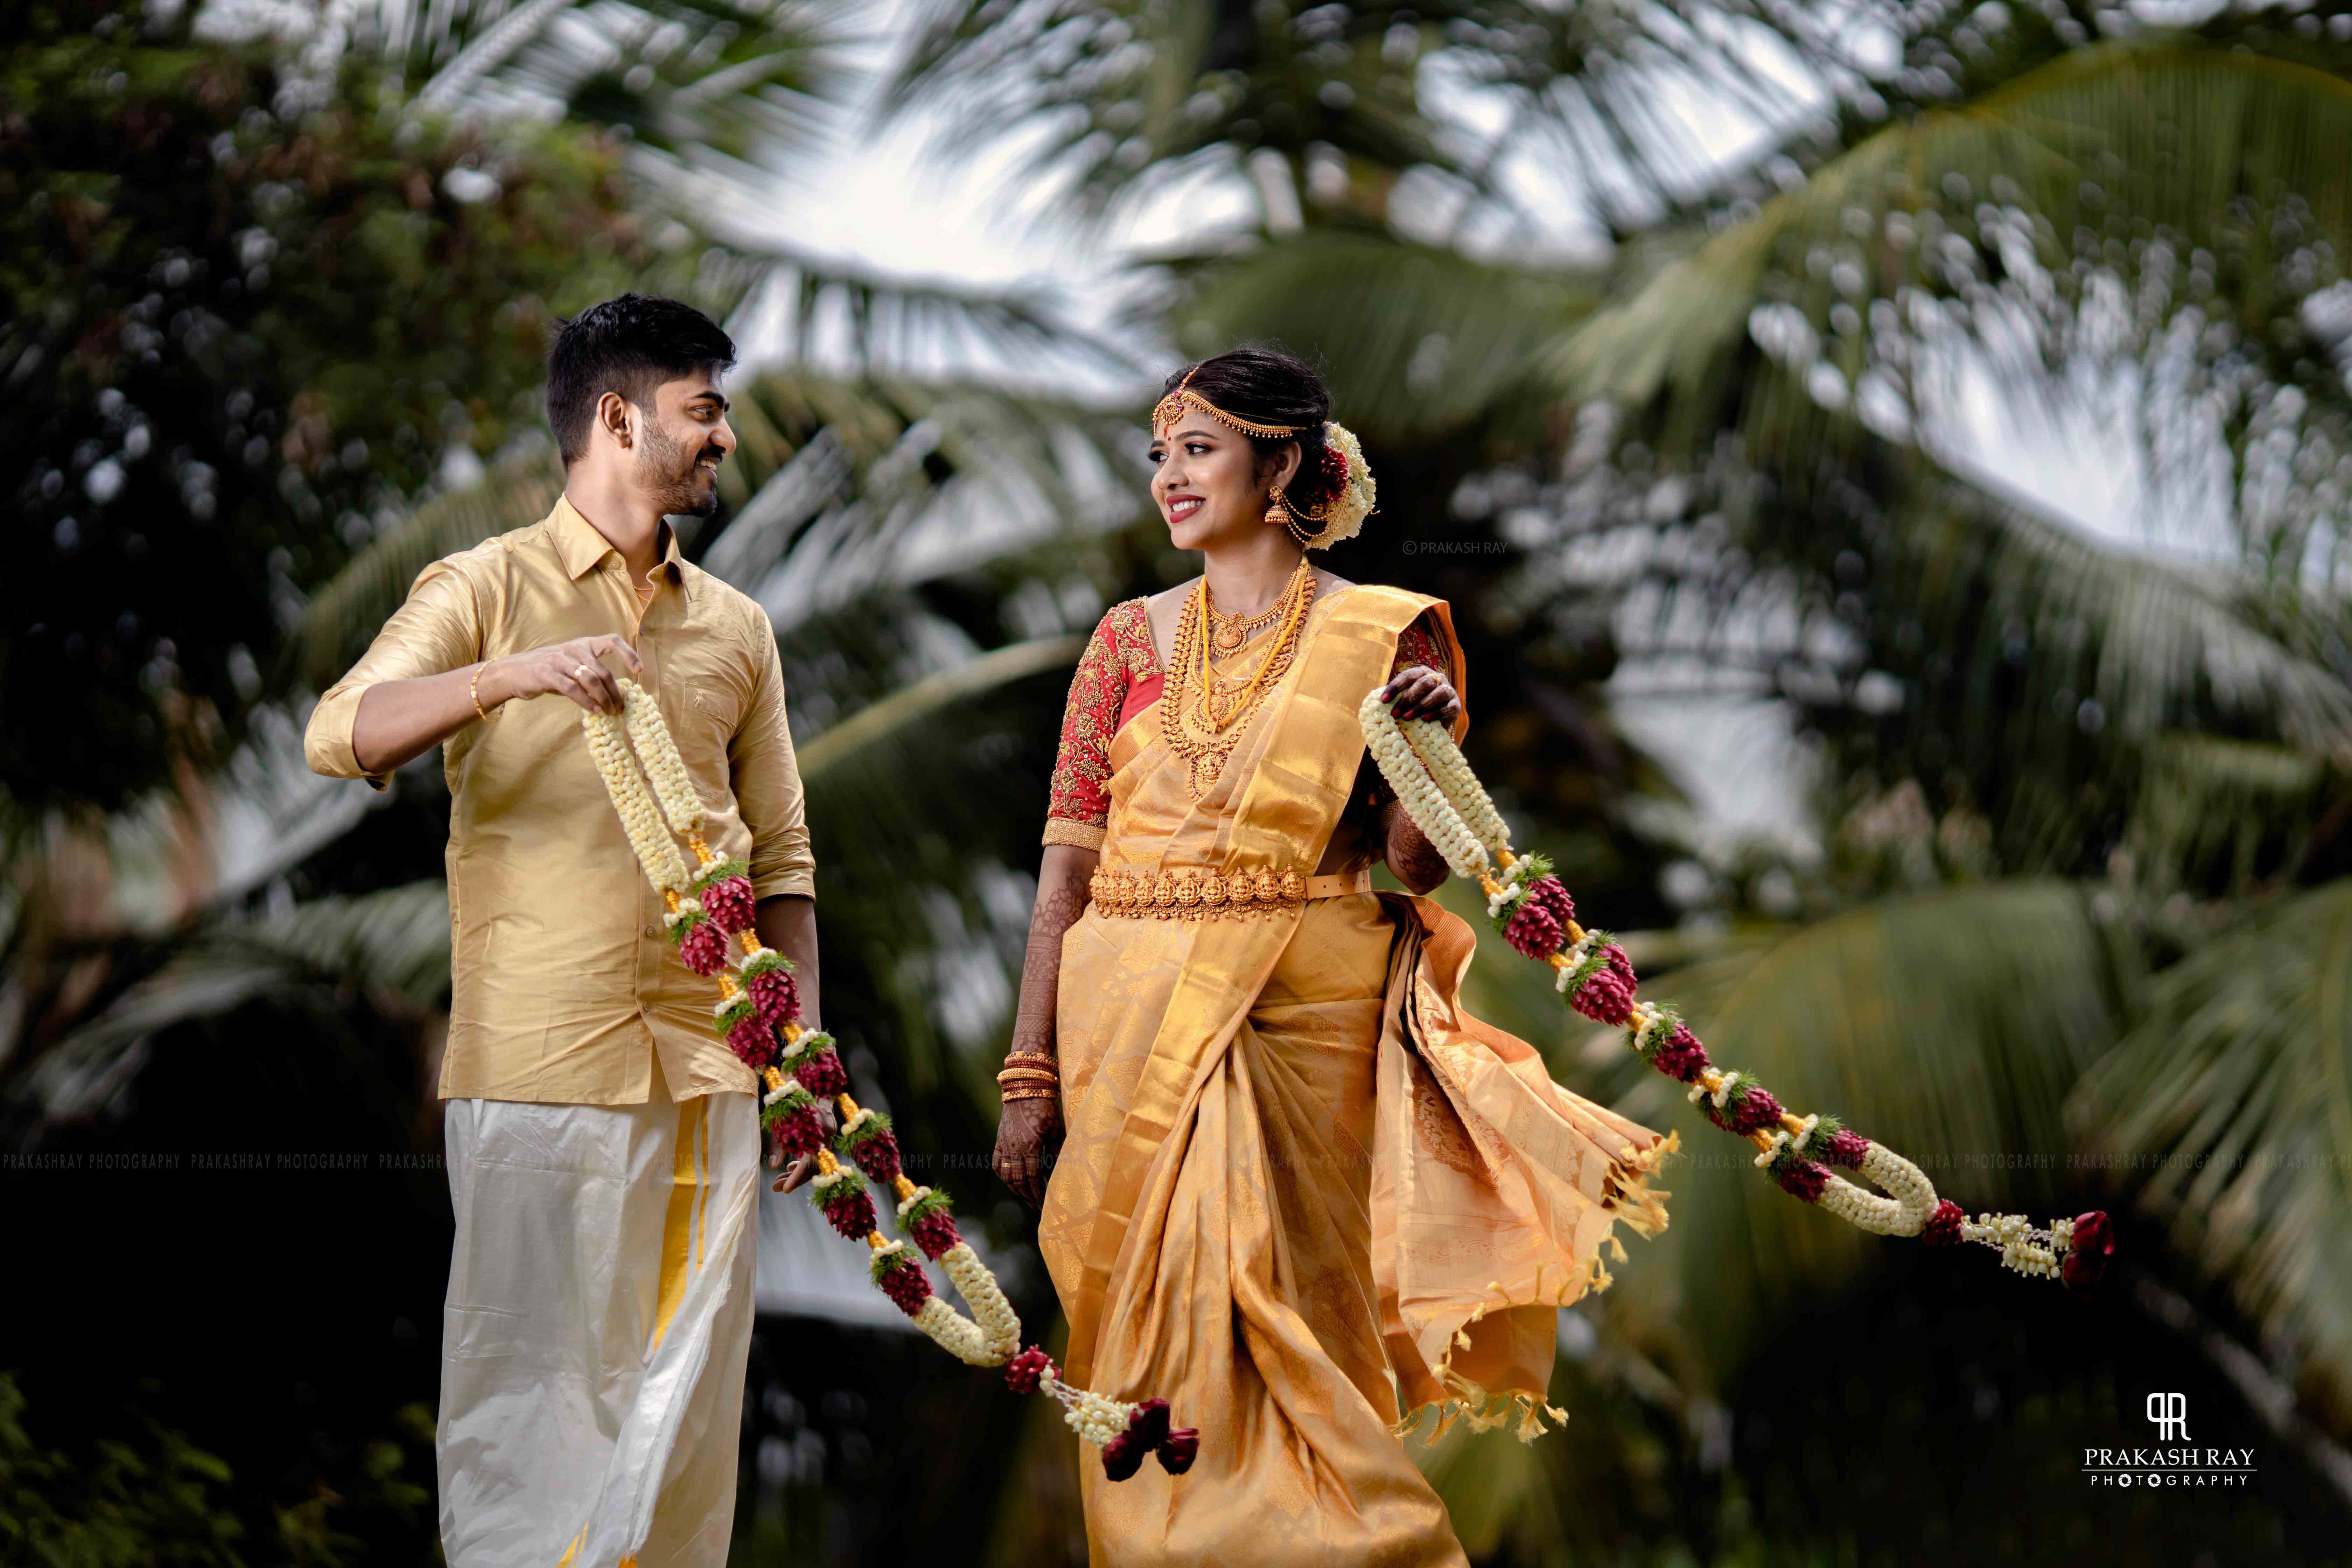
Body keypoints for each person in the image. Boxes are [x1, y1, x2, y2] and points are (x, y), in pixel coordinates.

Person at [990, 348, 1677, 1565]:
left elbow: (1414, 864)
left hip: (1303, 1018)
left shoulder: (1379, 634)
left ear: (1284, 468)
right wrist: (1029, 1072)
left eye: (1198, 450)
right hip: (1123, 1025)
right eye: (1160, 454)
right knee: (1146, 1356)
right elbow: (1065, 873)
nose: (1169, 477)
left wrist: (1429, 743)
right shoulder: (1125, 642)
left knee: (1294, 1327)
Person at [304, 294, 824, 1568]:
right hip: (539, 1062)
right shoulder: (484, 585)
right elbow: (340, 731)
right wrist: (516, 674)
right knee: (530, 1418)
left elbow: (784, 863)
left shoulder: (737, 628)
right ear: (618, 419)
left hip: (713, 1068)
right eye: (705, 412)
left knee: (684, 1427)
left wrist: (803, 1059)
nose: (726, 439)